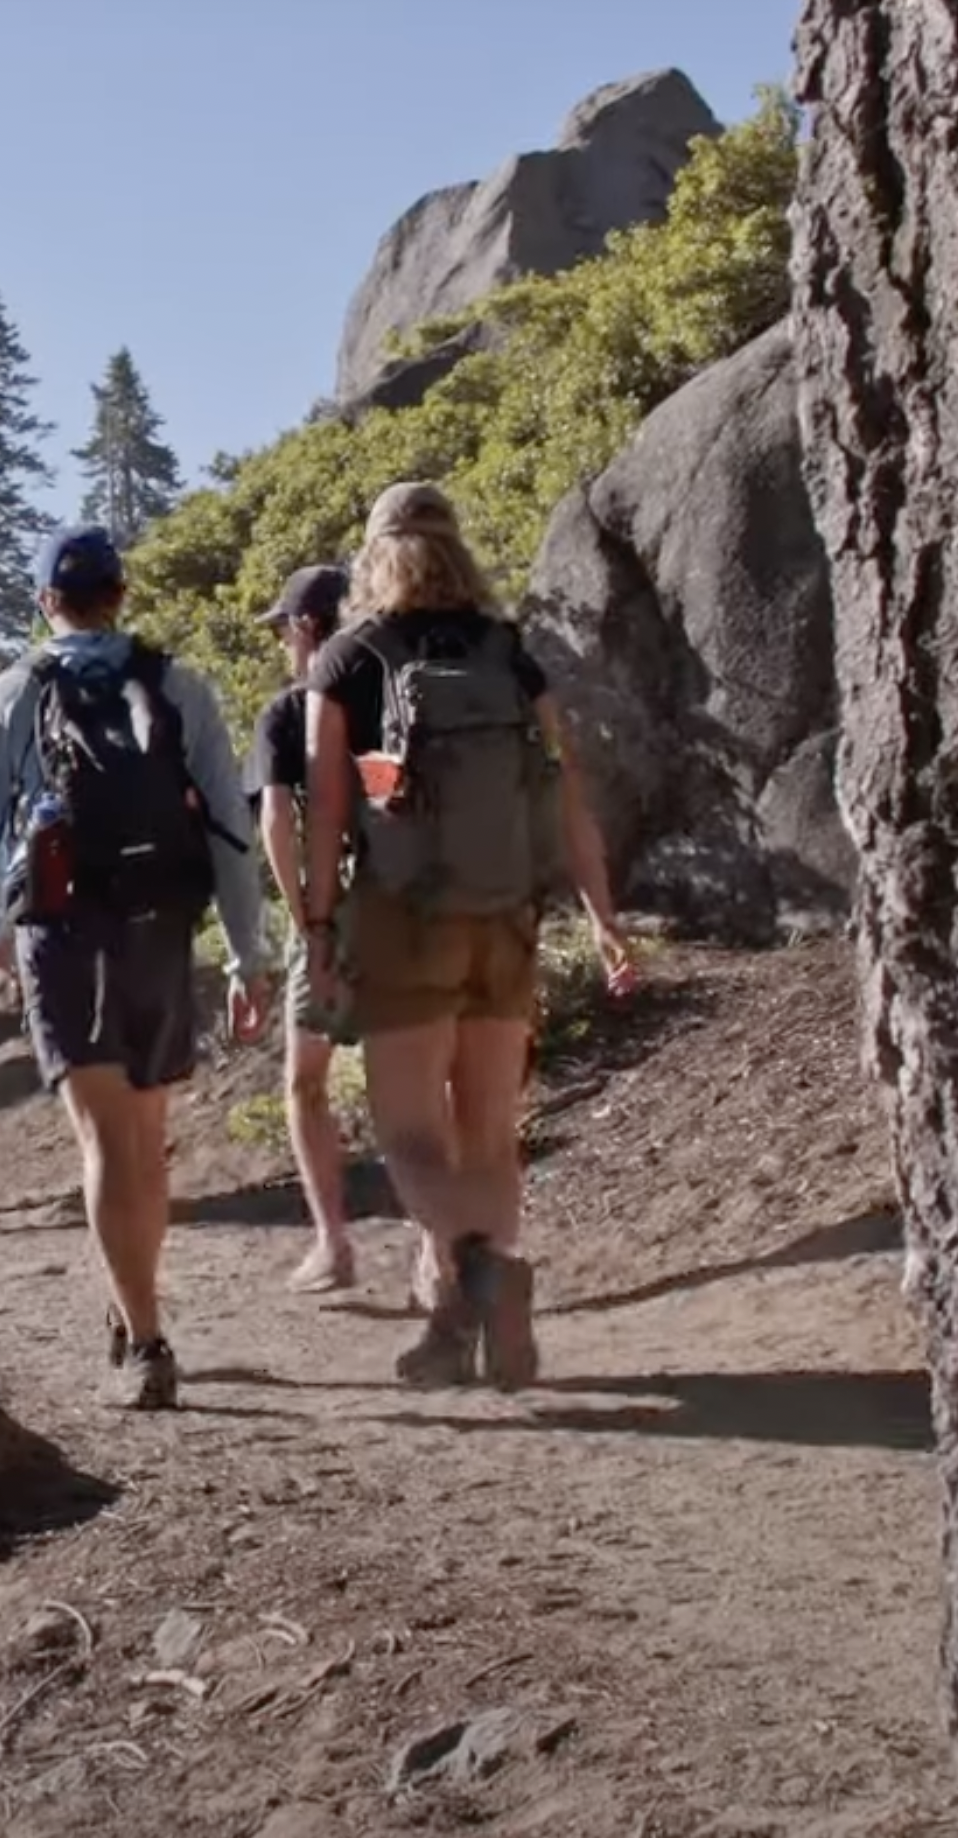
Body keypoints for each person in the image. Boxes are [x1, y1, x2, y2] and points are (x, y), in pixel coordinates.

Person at [301, 482, 635, 1391]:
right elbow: (565, 793)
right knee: (487, 1134)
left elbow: (328, 816)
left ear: (373, 556)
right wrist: (603, 917)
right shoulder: (508, 654)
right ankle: (456, 1323)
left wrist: (320, 927)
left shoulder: (347, 659)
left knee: (411, 1137)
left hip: (405, 922)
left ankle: (483, 1268)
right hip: (508, 919)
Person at [0, 524, 271, 1410]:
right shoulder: (178, 684)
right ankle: (136, 1308)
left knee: (101, 1141)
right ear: (120, 595)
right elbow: (229, 833)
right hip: (159, 922)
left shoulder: (10, 693)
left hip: (61, 928)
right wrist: (249, 950)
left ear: (44, 602)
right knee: (143, 1137)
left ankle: (144, 1337)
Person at [251, 563, 362, 1294]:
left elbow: (277, 825)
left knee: (306, 1083)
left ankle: (332, 1245)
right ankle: (432, 1253)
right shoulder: (389, 696)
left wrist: (306, 923)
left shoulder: (288, 712)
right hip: (404, 905)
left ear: (302, 627)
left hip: (333, 910)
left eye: (284, 628)